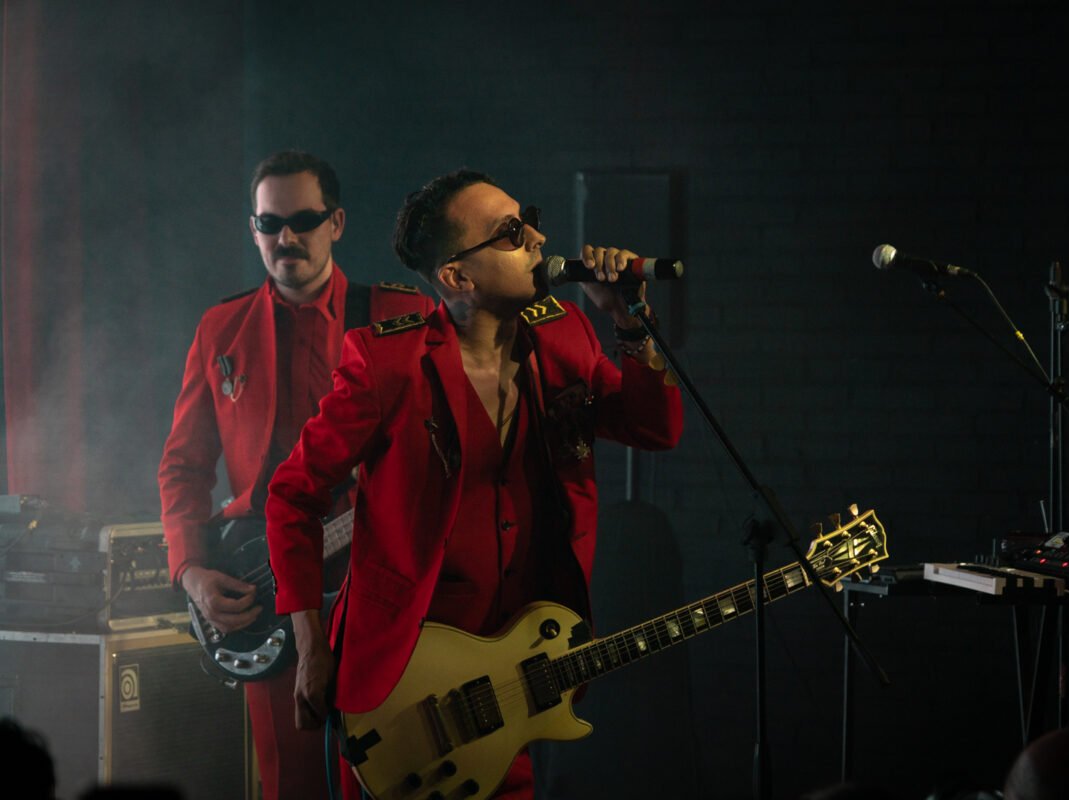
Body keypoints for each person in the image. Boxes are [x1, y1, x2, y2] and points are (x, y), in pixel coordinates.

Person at [265, 169, 684, 798]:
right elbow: (291, 495)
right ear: (457, 277)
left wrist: (630, 320)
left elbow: (656, 428)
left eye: (529, 220)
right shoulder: (388, 363)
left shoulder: (564, 333)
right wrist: (311, 644)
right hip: (398, 691)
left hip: (509, 684)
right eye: (512, 232)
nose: (538, 239)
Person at [158, 150, 433, 800]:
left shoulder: (401, 315)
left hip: (384, 584)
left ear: (336, 223)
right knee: (295, 784)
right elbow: (184, 466)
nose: (287, 238)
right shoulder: (221, 327)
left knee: (401, 779)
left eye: (304, 221)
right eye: (270, 223)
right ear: (253, 229)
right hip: (270, 586)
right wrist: (191, 570)